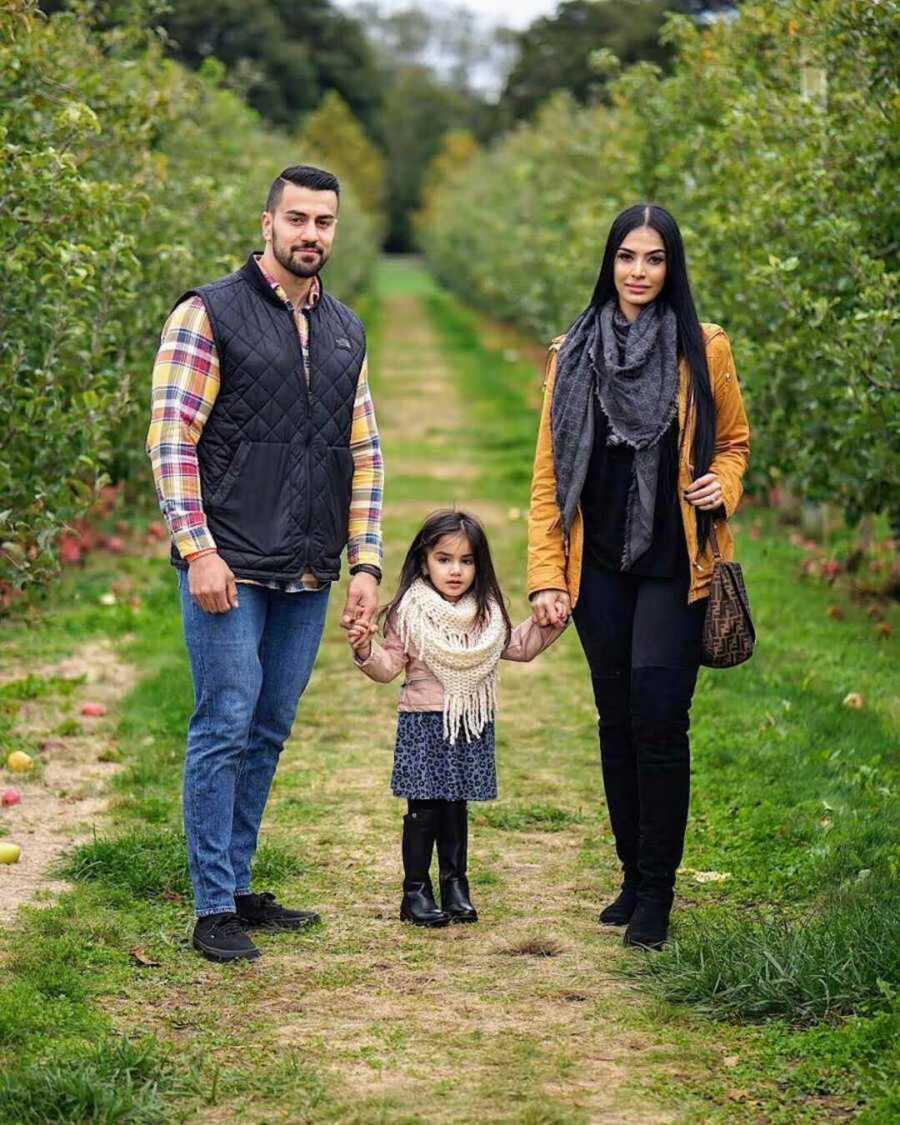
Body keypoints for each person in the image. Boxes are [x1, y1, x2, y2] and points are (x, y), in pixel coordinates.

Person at [146, 164, 384, 963]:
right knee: (225, 719)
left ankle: (239, 880)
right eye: (297, 219)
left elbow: (365, 453)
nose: (310, 234)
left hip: (310, 565)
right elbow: (172, 438)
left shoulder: (347, 329)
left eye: (324, 222)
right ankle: (212, 905)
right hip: (230, 563)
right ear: (266, 223)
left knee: (269, 726)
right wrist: (197, 547)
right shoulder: (208, 313)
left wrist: (365, 562)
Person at [527, 203, 750, 949]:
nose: (639, 272)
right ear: (609, 262)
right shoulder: (573, 352)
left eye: (654, 259)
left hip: (672, 562)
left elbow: (736, 442)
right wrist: (547, 576)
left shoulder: (703, 347)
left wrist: (724, 481)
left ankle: (658, 889)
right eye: (627, 257)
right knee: (617, 719)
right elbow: (549, 476)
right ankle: (629, 873)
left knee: (660, 718)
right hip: (599, 566)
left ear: (671, 266)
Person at [348, 510, 565, 927]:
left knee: (455, 806)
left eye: (467, 561)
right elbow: (388, 666)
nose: (455, 570)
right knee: (424, 807)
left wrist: (552, 622)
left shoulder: (485, 612)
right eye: (444, 559)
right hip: (423, 723)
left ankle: (455, 885)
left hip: (468, 722)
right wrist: (363, 649)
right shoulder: (409, 611)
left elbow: (517, 646)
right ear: (424, 560)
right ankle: (415, 892)